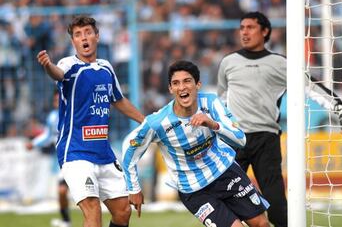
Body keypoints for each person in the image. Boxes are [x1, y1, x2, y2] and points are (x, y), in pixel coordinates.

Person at [217, 11, 342, 227]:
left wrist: (340, 109)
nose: (244, 32)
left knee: (276, 204)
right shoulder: (228, 62)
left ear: (265, 32)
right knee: (221, 196)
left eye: (250, 27)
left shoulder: (280, 64)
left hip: (266, 140)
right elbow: (221, 100)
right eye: (242, 27)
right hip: (234, 139)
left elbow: (311, 87)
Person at [122, 60, 270, 227]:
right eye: (176, 83)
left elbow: (241, 139)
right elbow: (129, 149)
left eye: (187, 81)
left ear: (198, 84)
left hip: (225, 172)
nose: (182, 87)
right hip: (194, 190)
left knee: (261, 224)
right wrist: (133, 188)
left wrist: (213, 125)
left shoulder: (211, 103)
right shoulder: (157, 122)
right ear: (171, 89)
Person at [37, 15, 144, 227]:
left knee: (123, 211)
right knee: (93, 212)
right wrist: (47, 65)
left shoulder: (106, 68)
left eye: (87, 32)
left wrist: (145, 121)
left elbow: (118, 100)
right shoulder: (68, 64)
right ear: (73, 42)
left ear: (97, 36)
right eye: (78, 35)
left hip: (103, 153)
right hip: (76, 153)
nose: (83, 38)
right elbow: (57, 74)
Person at [26, 90, 71, 227]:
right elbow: (48, 136)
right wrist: (33, 143)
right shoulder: (52, 117)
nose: (57, 103)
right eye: (55, 101)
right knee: (61, 191)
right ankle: (66, 221)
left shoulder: (73, 113)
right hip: (63, 161)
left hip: (77, 158)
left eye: (59, 100)